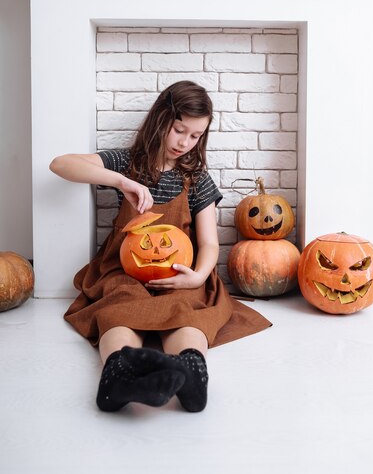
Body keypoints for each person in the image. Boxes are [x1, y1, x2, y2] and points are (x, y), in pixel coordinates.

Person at [50, 80, 271, 414]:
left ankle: (191, 370)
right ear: (160, 120)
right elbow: (60, 164)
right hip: (124, 269)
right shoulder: (128, 163)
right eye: (179, 130)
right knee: (119, 305)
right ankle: (119, 372)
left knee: (187, 309)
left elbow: (210, 242)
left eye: (195, 136)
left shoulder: (196, 178)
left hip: (179, 272)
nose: (185, 142)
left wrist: (197, 277)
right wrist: (121, 181)